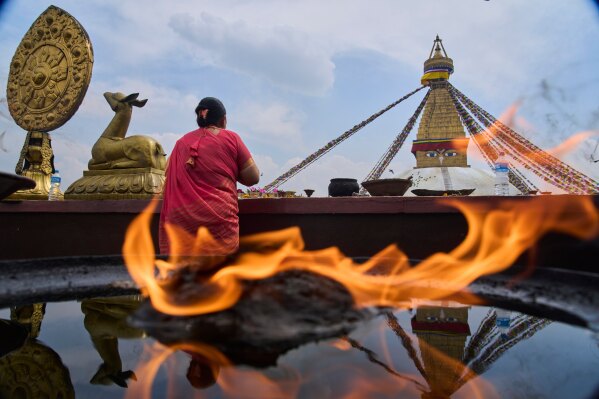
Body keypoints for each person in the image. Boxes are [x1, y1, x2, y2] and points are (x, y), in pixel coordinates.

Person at [159, 97, 259, 255]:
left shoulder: (180, 144)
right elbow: (253, 178)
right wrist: (230, 168)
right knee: (218, 274)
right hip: (218, 224)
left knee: (183, 276)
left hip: (181, 224)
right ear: (224, 120)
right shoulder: (231, 138)